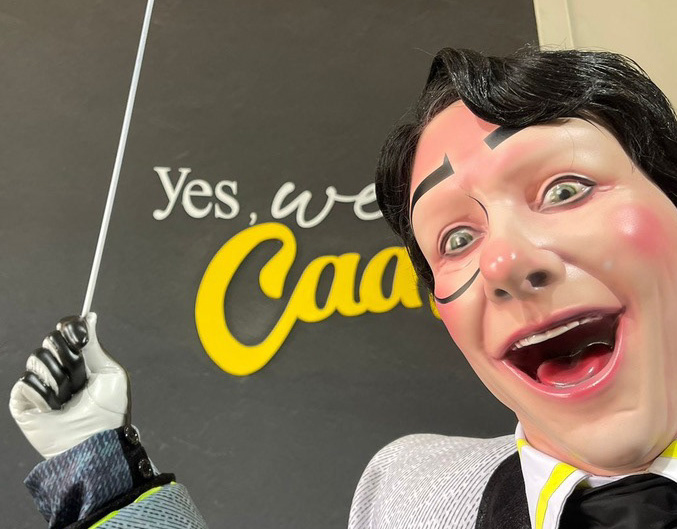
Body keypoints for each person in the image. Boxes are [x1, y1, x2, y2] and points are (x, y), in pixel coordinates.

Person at [11, 47, 677, 529]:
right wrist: (97, 468)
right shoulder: (405, 493)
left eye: (564, 189)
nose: (505, 262)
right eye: (455, 238)